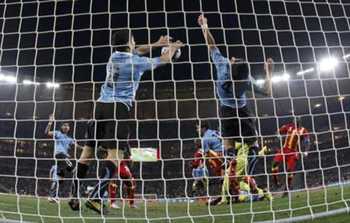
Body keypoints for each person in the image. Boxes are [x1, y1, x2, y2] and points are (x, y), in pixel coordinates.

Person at [68, 29, 183, 214]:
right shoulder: (135, 62)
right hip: (118, 108)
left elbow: (138, 50)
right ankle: (96, 197)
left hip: (99, 107)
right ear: (128, 42)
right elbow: (162, 60)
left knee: (87, 153)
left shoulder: (114, 56)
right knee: (115, 156)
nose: (135, 42)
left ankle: (73, 194)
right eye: (133, 40)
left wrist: (157, 44)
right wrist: (173, 47)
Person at [197, 15, 273, 167]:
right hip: (243, 111)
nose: (232, 58)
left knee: (228, 143)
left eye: (234, 60)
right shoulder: (245, 80)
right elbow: (267, 92)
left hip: (226, 111)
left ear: (231, 67)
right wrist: (268, 71)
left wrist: (204, 26)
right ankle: (248, 175)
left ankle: (231, 164)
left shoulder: (223, 68)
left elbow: (212, 46)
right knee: (253, 145)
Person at [45, 114, 82, 203]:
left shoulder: (69, 139)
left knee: (59, 178)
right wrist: (50, 123)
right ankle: (75, 194)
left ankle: (53, 196)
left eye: (67, 125)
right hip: (60, 155)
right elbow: (47, 133)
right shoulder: (58, 133)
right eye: (64, 125)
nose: (66, 127)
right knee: (72, 167)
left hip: (63, 158)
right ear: (61, 126)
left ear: (69, 128)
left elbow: (77, 146)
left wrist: (87, 148)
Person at [271, 117, 310, 193]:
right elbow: (278, 131)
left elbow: (307, 141)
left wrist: (306, 151)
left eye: (297, 121)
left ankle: (288, 187)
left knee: (290, 171)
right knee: (274, 163)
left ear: (299, 122)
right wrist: (278, 135)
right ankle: (276, 181)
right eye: (294, 120)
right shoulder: (289, 126)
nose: (295, 122)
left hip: (293, 153)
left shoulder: (303, 130)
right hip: (284, 150)